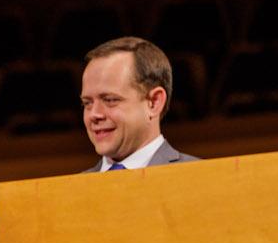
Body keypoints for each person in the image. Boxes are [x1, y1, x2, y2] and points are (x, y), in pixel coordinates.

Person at [79, 36, 198, 173]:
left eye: (110, 100)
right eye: (87, 103)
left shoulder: (201, 177)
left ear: (154, 103)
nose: (94, 114)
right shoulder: (70, 190)